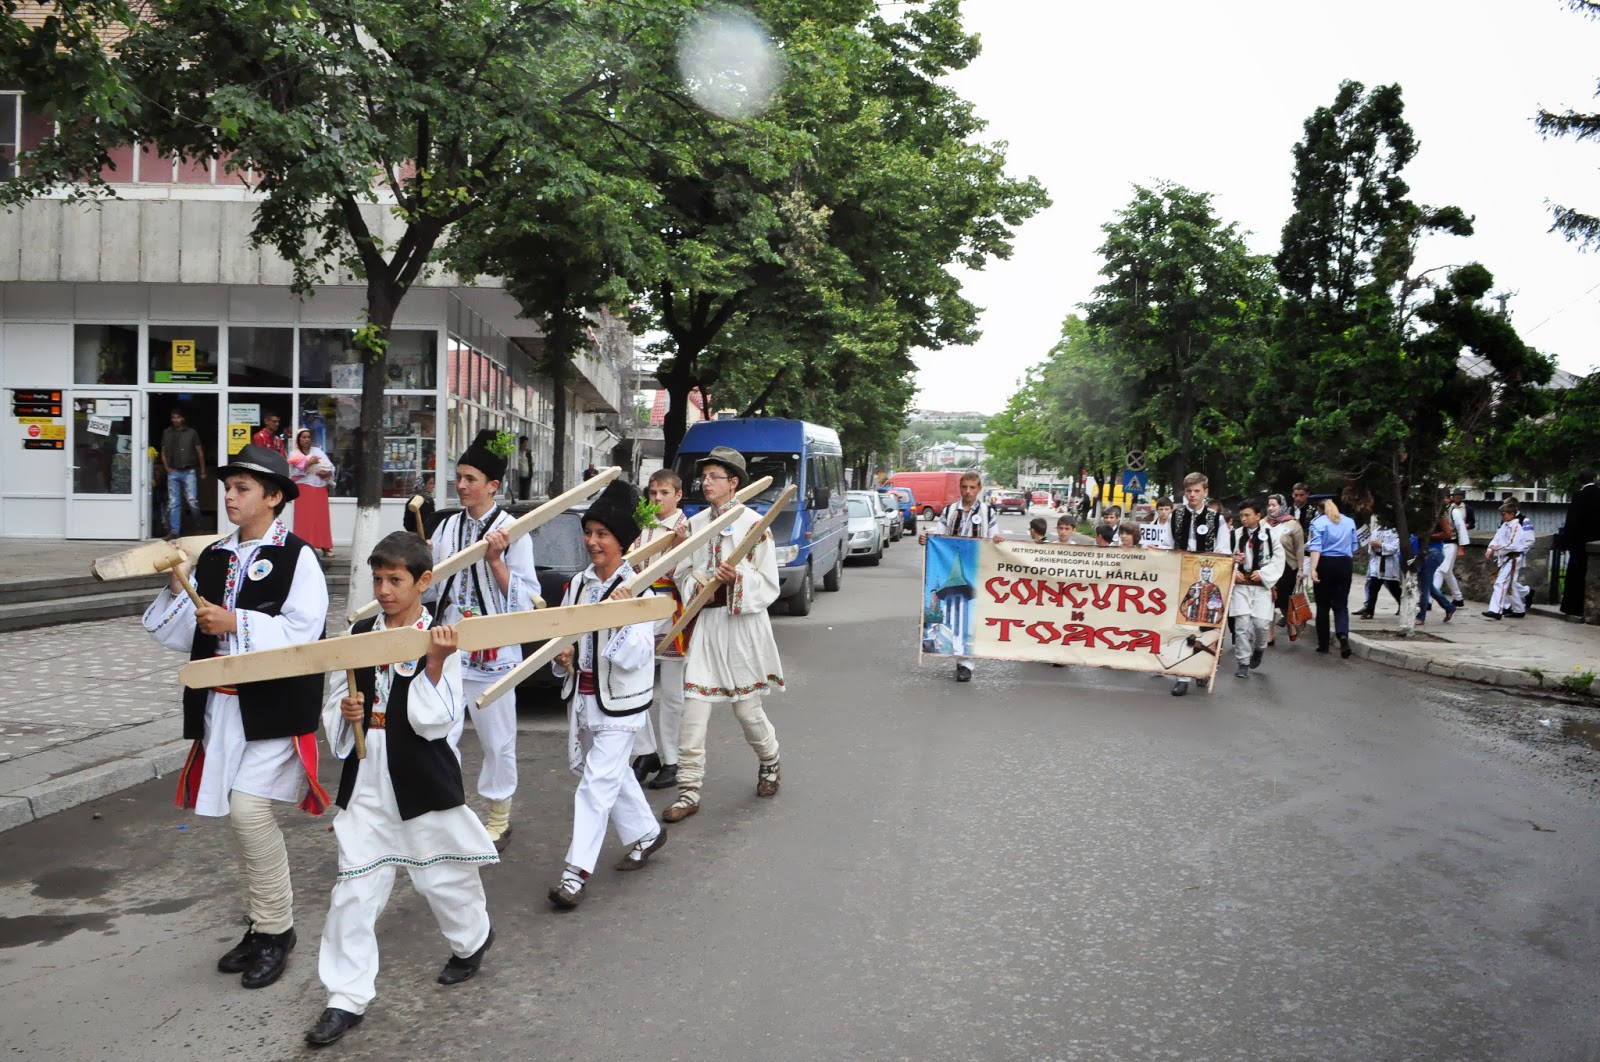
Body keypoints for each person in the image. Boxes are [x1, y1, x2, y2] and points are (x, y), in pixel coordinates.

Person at [142, 444, 329, 990]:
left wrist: (235, 622)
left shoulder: (299, 557)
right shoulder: (215, 556)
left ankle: (277, 930)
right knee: (240, 821)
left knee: (250, 814)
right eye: (228, 486)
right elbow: (181, 634)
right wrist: (176, 586)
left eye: (243, 488)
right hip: (222, 705)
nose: (230, 494)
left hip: (273, 707)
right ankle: (261, 924)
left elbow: (305, 632)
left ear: (274, 497)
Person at [306, 532, 497, 1048]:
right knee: (353, 890)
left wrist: (434, 666)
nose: (385, 590)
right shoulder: (361, 634)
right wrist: (346, 716)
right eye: (379, 579)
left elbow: (440, 724)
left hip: (421, 776)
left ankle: (472, 940)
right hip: (368, 778)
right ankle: (345, 997)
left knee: (441, 878)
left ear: (423, 581)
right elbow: (337, 703)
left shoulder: (440, 637)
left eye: (396, 580)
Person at [548, 481, 669, 908]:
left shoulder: (639, 589)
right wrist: (563, 654)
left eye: (603, 534)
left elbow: (635, 657)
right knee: (603, 776)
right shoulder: (579, 584)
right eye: (590, 532)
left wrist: (622, 616)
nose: (592, 542)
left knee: (597, 784)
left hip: (621, 704)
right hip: (583, 700)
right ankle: (647, 833)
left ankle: (575, 873)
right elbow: (569, 638)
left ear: (621, 540)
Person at [663, 446, 786, 823]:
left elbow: (770, 583)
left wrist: (738, 581)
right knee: (693, 710)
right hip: (709, 626)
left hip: (743, 627)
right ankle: (688, 790)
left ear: (734, 483)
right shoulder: (696, 526)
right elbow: (681, 571)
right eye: (704, 476)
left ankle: (770, 761)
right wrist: (695, 581)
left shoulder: (754, 525)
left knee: (747, 710)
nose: (706, 481)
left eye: (715, 476)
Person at [429, 428, 539, 849]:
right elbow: (435, 588)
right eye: (459, 477)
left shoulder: (514, 529)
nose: (461, 485)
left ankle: (499, 816)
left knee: (497, 739)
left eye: (470, 478)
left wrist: (495, 560)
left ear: (493, 486)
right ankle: (451, 811)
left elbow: (528, 599)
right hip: (453, 644)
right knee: (441, 731)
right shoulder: (448, 527)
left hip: (495, 650)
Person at [630, 470, 693, 791]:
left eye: (664, 493)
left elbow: (688, 573)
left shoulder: (688, 527)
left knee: (671, 695)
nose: (657, 499)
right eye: (653, 493)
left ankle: (672, 760)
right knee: (631, 684)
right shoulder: (644, 528)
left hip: (673, 612)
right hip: (642, 611)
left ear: (678, 495)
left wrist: (680, 546)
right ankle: (645, 752)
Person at [918, 470, 1004, 683]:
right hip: (953, 567)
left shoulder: (987, 512)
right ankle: (959, 658)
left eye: (972, 487)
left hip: (975, 568)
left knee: (972, 616)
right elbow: (939, 535)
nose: (968, 491)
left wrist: (998, 539)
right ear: (960, 487)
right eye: (964, 487)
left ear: (979, 489)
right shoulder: (949, 511)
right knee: (952, 616)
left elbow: (994, 534)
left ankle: (966, 663)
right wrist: (926, 539)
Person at [1169, 472, 1221, 696]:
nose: (1192, 495)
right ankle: (1182, 676)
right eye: (1189, 491)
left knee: (1207, 628)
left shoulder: (1215, 519)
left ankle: (1202, 670)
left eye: (1197, 491)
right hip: (1184, 579)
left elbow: (1223, 550)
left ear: (1205, 492)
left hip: (1209, 581)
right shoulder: (1176, 516)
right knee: (1183, 627)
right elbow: (1167, 545)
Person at [1228, 499, 1285, 678]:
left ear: (1258, 516)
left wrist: (1264, 573)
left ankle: (1259, 648)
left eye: (1247, 515)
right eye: (1242, 515)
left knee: (1261, 625)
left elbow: (1278, 559)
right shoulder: (1236, 534)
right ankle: (1243, 662)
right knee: (1242, 625)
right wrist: (1234, 569)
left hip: (1261, 586)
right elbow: (1226, 555)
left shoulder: (1270, 535)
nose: (1244, 519)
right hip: (1242, 585)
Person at [1308, 497, 1359, 657]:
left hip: (1325, 562)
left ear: (1320, 509)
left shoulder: (1318, 523)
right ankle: (1342, 635)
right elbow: (1354, 546)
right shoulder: (1349, 522)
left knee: (1322, 605)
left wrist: (1314, 568)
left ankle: (1323, 645)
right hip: (1344, 564)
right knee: (1341, 604)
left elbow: (1316, 546)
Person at [160, 405, 206, 541]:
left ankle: (199, 527)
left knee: (192, 501)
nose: (176, 420)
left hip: (188, 471)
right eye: (173, 417)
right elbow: (162, 452)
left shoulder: (191, 433)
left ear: (183, 418)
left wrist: (203, 471)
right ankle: (174, 531)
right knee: (174, 502)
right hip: (173, 471)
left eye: (178, 417)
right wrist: (167, 467)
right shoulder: (167, 432)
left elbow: (199, 452)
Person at [288, 428, 335, 558]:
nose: (306, 439)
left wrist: (328, 473)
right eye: (303, 437)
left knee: (321, 518)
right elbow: (294, 473)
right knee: (304, 519)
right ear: (298, 439)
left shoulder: (317, 451)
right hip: (304, 488)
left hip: (320, 487)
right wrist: (309, 463)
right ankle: (303, 547)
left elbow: (330, 466)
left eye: (308, 437)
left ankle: (326, 547)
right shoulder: (294, 454)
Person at [1266, 494, 1305, 643]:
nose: (1270, 508)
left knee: (1283, 601)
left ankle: (1290, 624)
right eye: (1269, 505)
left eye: (1274, 505)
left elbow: (1299, 549)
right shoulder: (1264, 523)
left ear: (1282, 506)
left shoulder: (1292, 524)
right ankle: (1269, 635)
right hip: (1269, 567)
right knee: (1268, 600)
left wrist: (1301, 570)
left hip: (1288, 568)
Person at [1560, 469, 1599, 620]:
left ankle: (1574, 606)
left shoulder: (1580, 496)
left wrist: (1565, 543)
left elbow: (1572, 522)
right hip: (1595, 542)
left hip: (1579, 544)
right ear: (1594, 478)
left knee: (1577, 574)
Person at [1484, 499, 1532, 620]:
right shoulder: (1505, 525)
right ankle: (1519, 609)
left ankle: (1496, 610)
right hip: (1506, 557)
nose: (1502, 516)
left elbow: (1513, 545)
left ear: (1511, 514)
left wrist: (1498, 548)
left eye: (1504, 514)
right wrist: (1490, 549)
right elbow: (1496, 538)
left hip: (1513, 558)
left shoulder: (1517, 526)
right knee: (1511, 585)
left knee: (1501, 582)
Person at [1417, 509, 1458, 624]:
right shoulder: (1422, 515)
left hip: (1434, 551)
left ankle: (1421, 616)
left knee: (1424, 585)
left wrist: (1428, 535)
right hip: (1425, 550)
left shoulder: (1438, 515)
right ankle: (1448, 607)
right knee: (1427, 584)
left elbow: (1448, 533)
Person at [1355, 524, 1402, 619]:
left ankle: (1404, 605)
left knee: (1394, 588)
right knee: (1373, 589)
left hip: (1389, 564)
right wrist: (1372, 546)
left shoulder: (1394, 531)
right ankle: (1369, 611)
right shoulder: (1376, 531)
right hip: (1377, 563)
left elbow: (1395, 548)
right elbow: (1371, 549)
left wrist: (1381, 545)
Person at [1438, 487, 1470, 607]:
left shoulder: (1454, 512)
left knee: (1440, 570)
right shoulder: (1439, 512)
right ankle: (1458, 597)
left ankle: (1430, 599)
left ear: (1448, 499)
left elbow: (1461, 530)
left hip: (1452, 543)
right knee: (1447, 572)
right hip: (1442, 543)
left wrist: (1461, 548)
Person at [514, 435, 534, 502]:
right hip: (518, 475)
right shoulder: (516, 452)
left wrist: (531, 473)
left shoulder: (528, 453)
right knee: (519, 492)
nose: (526, 444)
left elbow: (532, 463)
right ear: (521, 443)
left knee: (526, 493)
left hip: (526, 475)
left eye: (527, 443)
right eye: (525, 443)